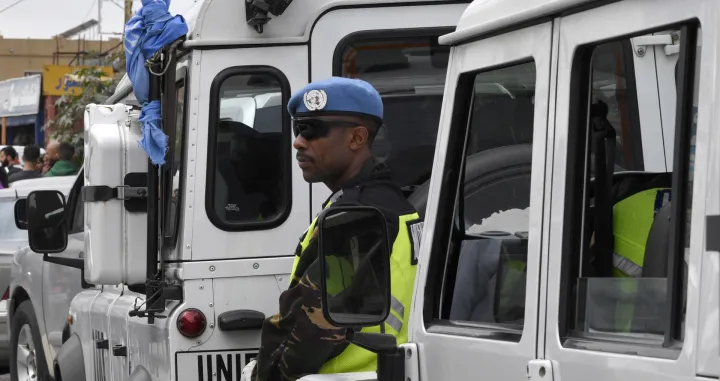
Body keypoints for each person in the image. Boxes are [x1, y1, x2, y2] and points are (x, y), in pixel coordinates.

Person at [245, 77, 422, 381]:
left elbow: (308, 336)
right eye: (298, 129)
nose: (298, 142)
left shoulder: (355, 219)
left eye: (312, 131)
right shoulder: (392, 203)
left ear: (356, 138)